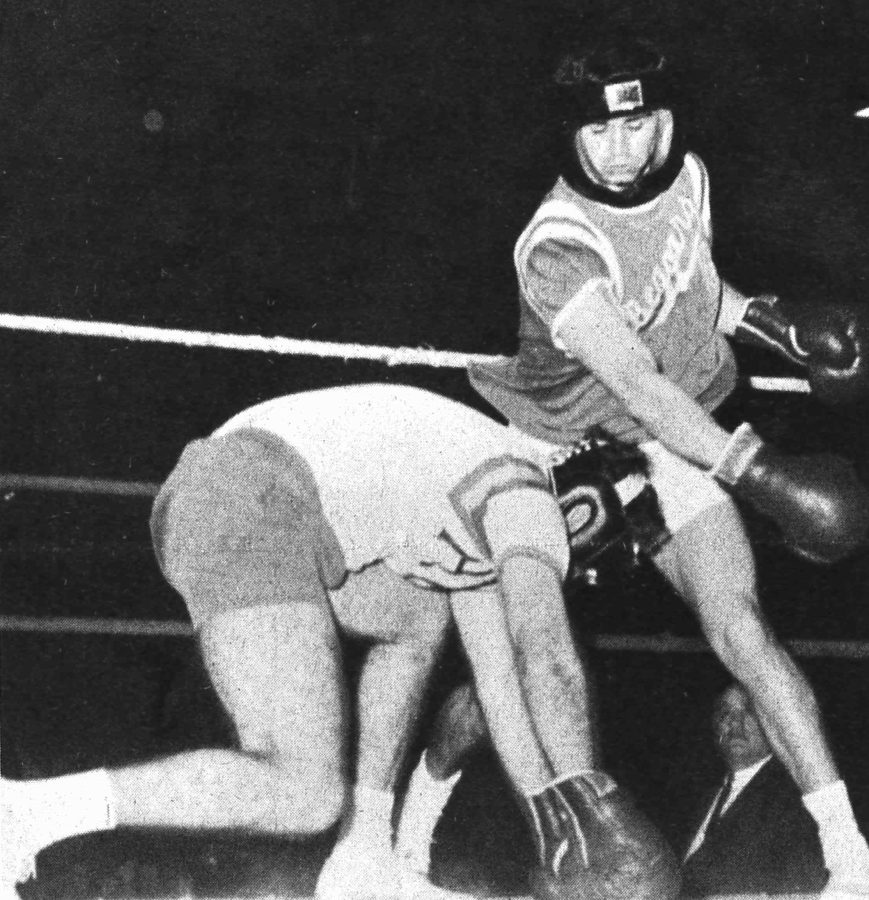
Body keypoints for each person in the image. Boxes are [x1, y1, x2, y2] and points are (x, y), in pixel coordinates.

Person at [397, 33, 869, 897]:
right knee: (507, 671)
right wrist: (757, 470)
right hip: (552, 452)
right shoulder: (556, 246)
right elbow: (639, 384)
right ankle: (413, 821)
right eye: (598, 133)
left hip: (664, 446)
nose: (621, 150)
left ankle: (851, 861)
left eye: (639, 125)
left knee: (743, 628)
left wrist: (774, 325)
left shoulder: (686, 177)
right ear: (569, 135)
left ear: (665, 119)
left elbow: (694, 293)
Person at [1, 382, 680, 900]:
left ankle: (362, 855)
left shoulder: (485, 516)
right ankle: (27, 811)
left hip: (262, 500)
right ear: (584, 492)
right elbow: (547, 654)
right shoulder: (522, 488)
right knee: (303, 791)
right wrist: (593, 800)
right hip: (252, 494)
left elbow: (502, 684)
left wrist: (554, 820)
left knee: (417, 617)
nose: (582, 559)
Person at [680, 681, 828, 897]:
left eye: (750, 712)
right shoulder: (701, 793)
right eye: (725, 713)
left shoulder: (794, 801)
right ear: (714, 724)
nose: (736, 724)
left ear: (772, 724)